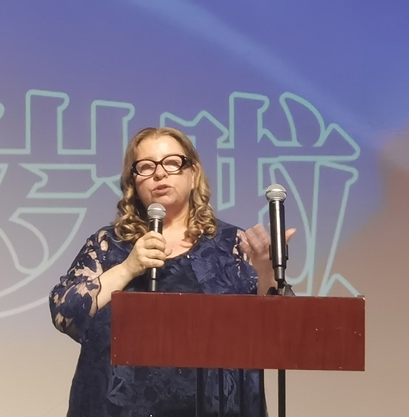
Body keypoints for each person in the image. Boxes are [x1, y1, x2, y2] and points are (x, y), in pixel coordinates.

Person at [49, 126, 295, 417]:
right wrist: (128, 268)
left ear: (193, 174)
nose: (159, 174)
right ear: (132, 181)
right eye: (146, 166)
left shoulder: (232, 245)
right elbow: (65, 313)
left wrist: (266, 273)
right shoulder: (109, 245)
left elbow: (276, 333)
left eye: (172, 163)